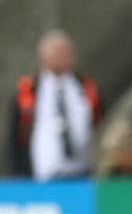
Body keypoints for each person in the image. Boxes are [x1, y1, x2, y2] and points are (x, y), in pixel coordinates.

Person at [8, 29, 100, 180]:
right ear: (44, 56)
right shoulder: (28, 91)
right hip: (42, 173)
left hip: (82, 172)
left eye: (67, 53)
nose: (65, 57)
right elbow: (16, 135)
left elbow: (99, 119)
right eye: (58, 53)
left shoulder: (86, 87)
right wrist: (19, 171)